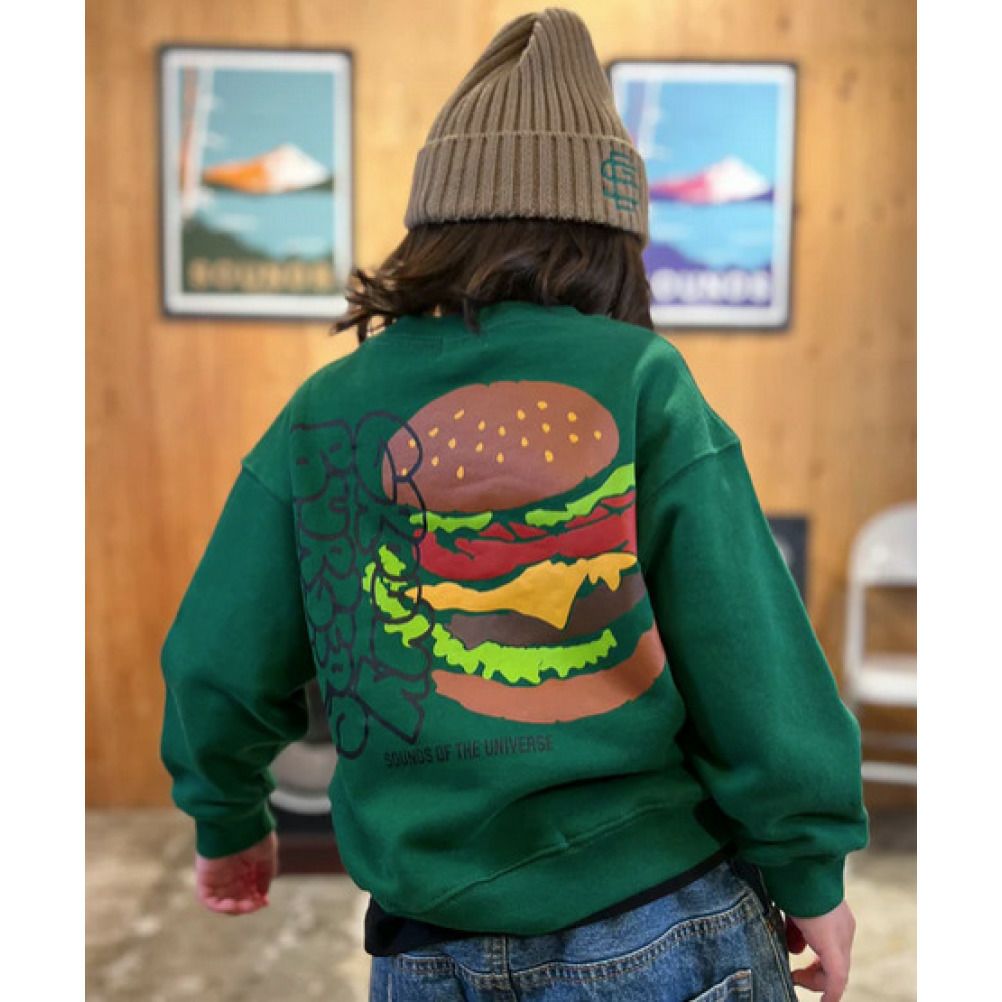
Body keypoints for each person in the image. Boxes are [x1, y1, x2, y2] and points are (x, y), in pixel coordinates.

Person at [159, 8, 868, 1002]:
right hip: (658, 916)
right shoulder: (643, 379)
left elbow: (215, 662)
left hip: (423, 947)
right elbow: (749, 655)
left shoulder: (323, 411)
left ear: (435, 223)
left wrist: (229, 820)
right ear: (612, 236)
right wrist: (808, 865)